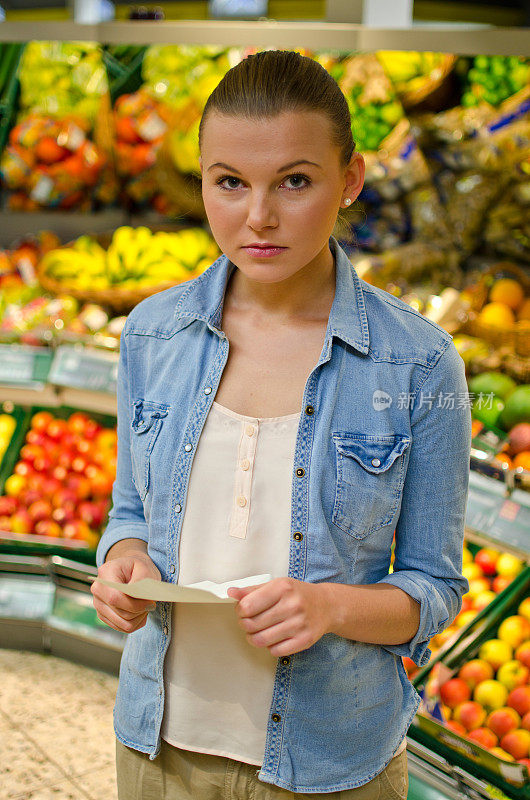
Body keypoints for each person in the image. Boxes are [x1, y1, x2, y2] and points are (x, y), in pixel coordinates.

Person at [91, 49, 471, 800]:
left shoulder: (419, 365)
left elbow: (434, 589)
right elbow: (129, 513)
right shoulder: (150, 336)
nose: (258, 216)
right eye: (229, 182)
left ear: (350, 180)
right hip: (155, 748)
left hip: (331, 764)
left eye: (295, 181)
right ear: (202, 180)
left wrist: (327, 606)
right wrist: (124, 563)